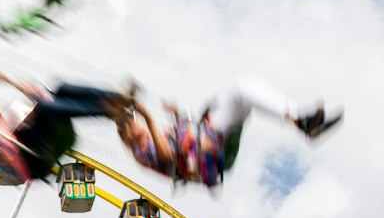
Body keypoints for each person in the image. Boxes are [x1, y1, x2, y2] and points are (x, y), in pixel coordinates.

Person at [117, 81, 339, 190]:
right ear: (126, 134)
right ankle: (301, 121)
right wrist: (150, 118)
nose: (135, 121)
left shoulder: (160, 134)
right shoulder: (141, 150)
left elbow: (186, 133)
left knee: (243, 91)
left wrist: (178, 115)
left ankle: (302, 120)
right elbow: (167, 156)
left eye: (134, 117)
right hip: (209, 156)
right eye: (131, 121)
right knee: (240, 92)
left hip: (212, 144)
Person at [0, 71, 131, 183]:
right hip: (31, 161)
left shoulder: (8, 116)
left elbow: (36, 93)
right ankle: (108, 111)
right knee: (43, 108)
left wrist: (8, 79)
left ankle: (115, 97)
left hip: (39, 138)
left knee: (59, 90)